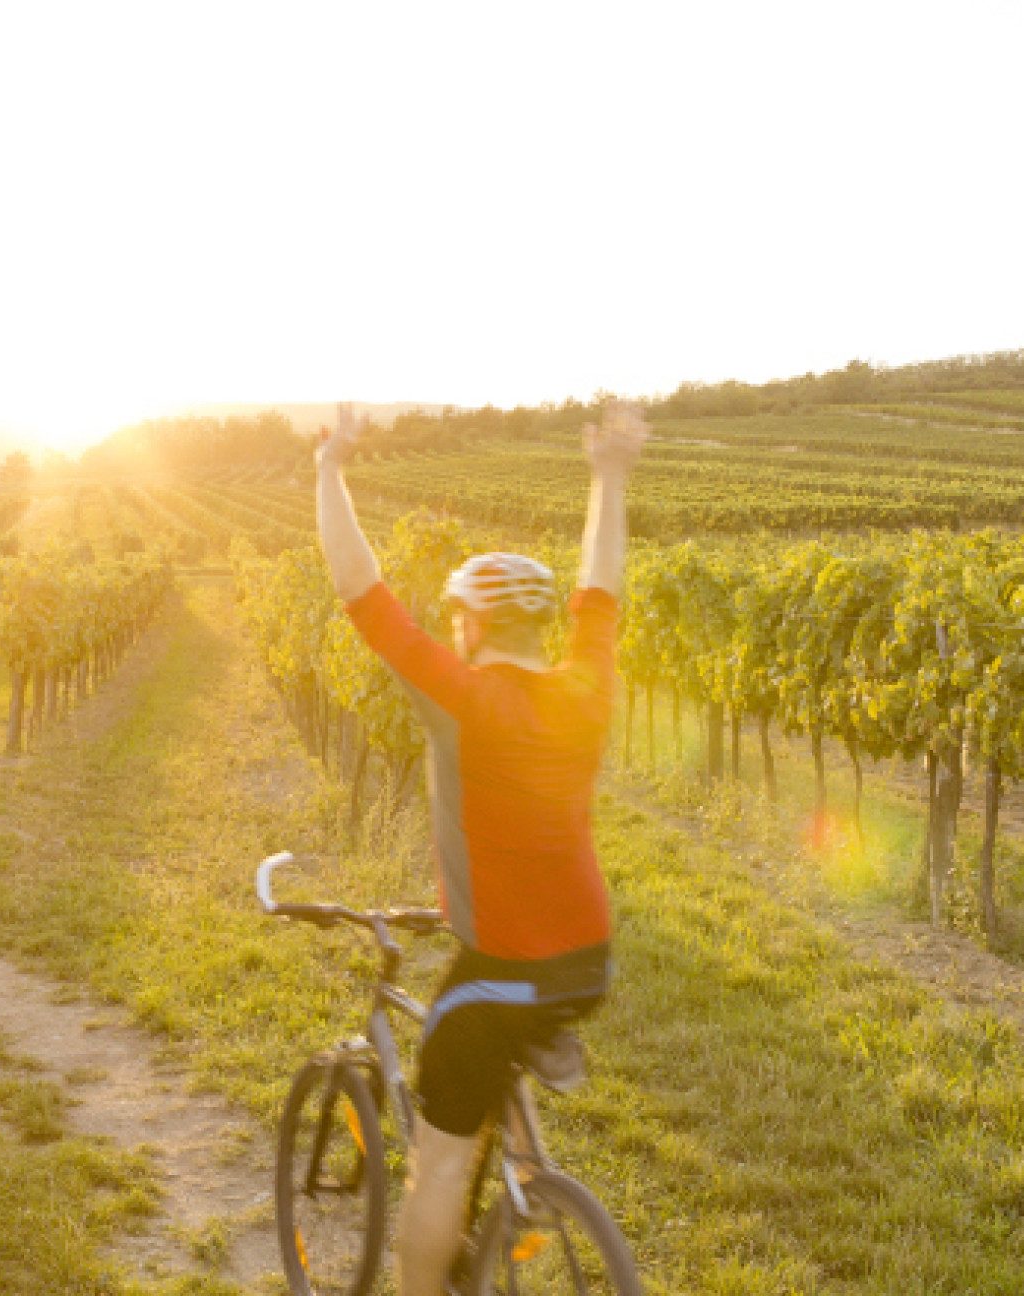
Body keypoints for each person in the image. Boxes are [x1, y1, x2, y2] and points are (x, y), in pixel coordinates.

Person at [313, 399, 645, 1294]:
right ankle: (529, 1190)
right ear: (539, 624)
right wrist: (609, 475)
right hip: (590, 959)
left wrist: (329, 470)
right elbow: (602, 585)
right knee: (495, 1047)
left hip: (500, 966)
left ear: (468, 622)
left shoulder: (462, 694)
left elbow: (362, 591)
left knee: (441, 1159)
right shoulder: (587, 685)